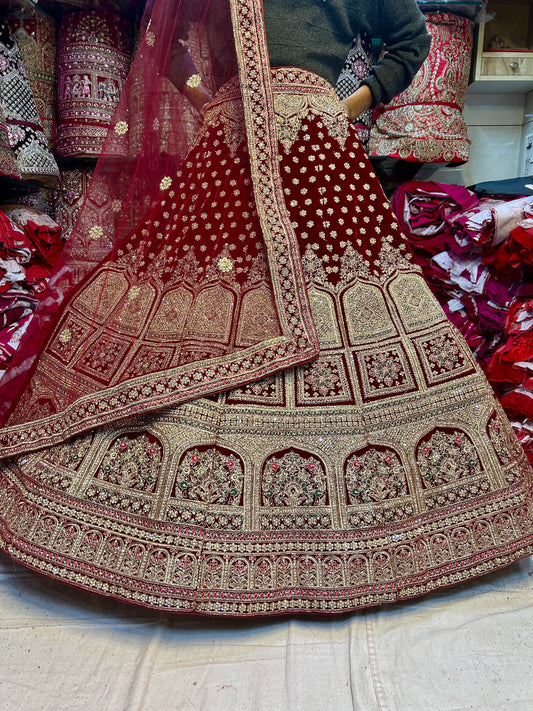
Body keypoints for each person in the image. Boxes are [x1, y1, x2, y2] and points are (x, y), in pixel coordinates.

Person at [0, 0, 531, 617]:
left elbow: (410, 40)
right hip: (230, 151)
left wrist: (346, 105)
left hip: (314, 146)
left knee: (348, 302)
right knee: (193, 307)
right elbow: (154, 27)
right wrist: (207, 97)